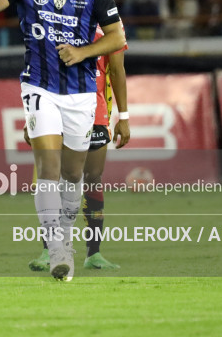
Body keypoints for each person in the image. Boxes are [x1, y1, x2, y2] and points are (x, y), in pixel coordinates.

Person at [0, 0, 125, 281]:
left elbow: (117, 38)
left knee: (74, 176)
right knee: (49, 171)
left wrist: (83, 51)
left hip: (81, 92)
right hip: (38, 87)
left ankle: (65, 237)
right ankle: (58, 249)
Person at [27, 23, 131, 271]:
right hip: (56, 108)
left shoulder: (110, 27)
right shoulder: (54, 21)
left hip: (95, 111)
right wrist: (31, 114)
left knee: (93, 178)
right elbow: (40, 71)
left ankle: (93, 253)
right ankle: (50, 249)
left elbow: (116, 70)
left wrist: (123, 117)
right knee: (56, 176)